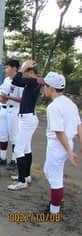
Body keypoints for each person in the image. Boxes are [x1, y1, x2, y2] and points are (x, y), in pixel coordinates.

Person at [42, 72, 82, 214]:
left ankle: (54, 211)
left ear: (51, 88)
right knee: (49, 171)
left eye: (45, 85)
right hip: (66, 143)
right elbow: (79, 125)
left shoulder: (53, 107)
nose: (43, 88)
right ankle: (57, 200)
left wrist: (69, 152)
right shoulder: (70, 103)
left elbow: (59, 131)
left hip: (58, 145)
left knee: (55, 178)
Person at [8, 60, 42, 190]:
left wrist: (23, 68)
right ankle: (26, 176)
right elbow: (18, 81)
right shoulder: (33, 82)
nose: (24, 74)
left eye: (26, 72)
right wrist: (24, 69)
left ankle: (22, 181)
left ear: (31, 72)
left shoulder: (33, 81)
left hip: (28, 119)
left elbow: (16, 80)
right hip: (27, 118)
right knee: (26, 148)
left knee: (18, 149)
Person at [0, 59, 23, 168]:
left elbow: (23, 99)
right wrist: (2, 98)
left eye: (7, 67)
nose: (6, 69)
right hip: (3, 110)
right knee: (2, 135)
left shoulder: (21, 81)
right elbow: (2, 95)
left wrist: (8, 97)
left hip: (14, 110)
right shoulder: (6, 80)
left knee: (14, 137)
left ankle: (14, 161)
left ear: (14, 68)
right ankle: (3, 158)